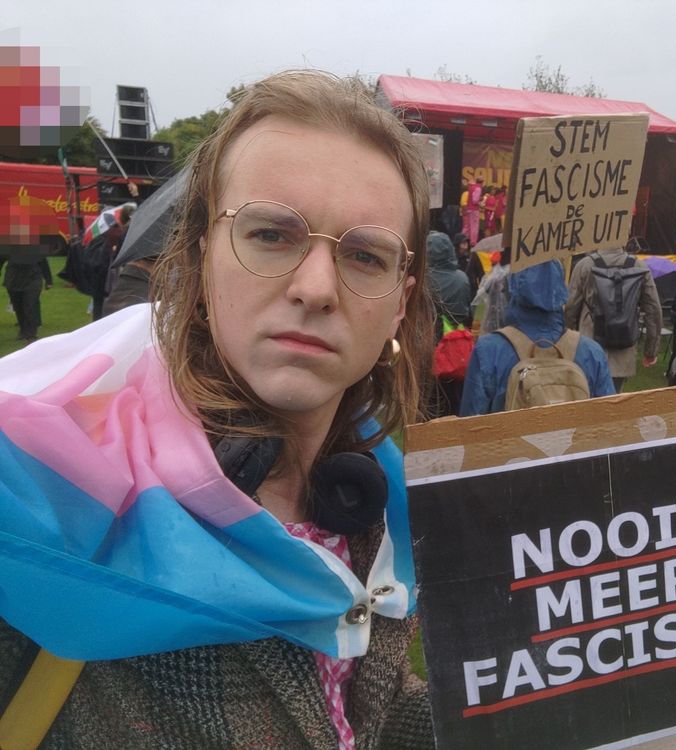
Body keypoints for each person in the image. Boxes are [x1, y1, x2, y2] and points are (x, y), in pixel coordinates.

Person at [0, 70, 435, 748]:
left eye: (364, 255)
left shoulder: (376, 505)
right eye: (271, 234)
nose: (317, 287)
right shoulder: (45, 499)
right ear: (203, 260)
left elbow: (356, 716)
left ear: (399, 303)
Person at [460, 260, 614, 416]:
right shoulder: (592, 353)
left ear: (512, 285)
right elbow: (610, 421)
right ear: (561, 288)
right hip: (571, 439)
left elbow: (470, 425)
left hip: (509, 440)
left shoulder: (488, 350)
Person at [565, 245, 662, 392]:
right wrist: (651, 350)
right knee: (614, 403)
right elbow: (653, 309)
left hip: (588, 349)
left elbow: (570, 309)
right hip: (622, 351)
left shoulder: (584, 265)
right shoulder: (639, 266)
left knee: (583, 401)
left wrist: (568, 346)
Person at [426, 230, 472, 417]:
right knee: (454, 397)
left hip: (429, 346)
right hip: (456, 347)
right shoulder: (462, 279)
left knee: (430, 398)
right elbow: (467, 312)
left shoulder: (424, 280)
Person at [463, 176, 483, 245]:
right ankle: (473, 242)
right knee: (474, 226)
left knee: (467, 226)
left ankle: (463, 239)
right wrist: (480, 202)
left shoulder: (471, 188)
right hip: (474, 210)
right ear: (482, 182)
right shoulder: (478, 188)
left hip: (469, 209)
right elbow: (475, 200)